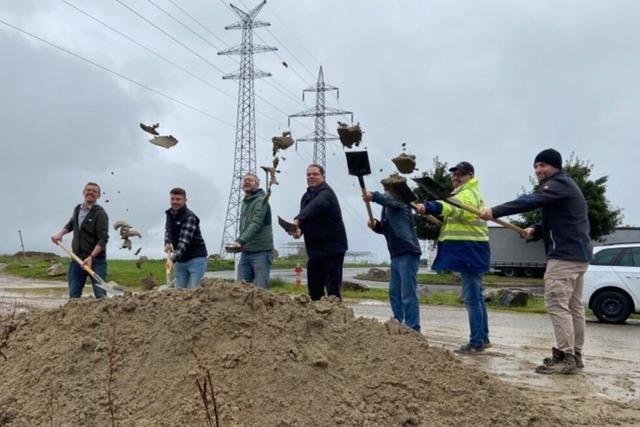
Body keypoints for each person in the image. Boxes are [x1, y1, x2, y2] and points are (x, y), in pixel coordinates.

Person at [480, 149, 592, 374]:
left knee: (556, 304)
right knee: (573, 307)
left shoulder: (558, 185)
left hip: (564, 257)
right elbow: (563, 221)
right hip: (578, 255)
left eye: (543, 165)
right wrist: (535, 229)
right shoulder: (566, 188)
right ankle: (575, 355)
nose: (538, 170)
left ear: (555, 166)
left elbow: (530, 200)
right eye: (536, 166)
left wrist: (495, 211)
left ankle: (565, 357)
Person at [416, 161, 490, 354]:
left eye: (461, 175)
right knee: (477, 298)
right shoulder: (466, 194)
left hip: (470, 251)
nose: (456, 178)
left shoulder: (467, 194)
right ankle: (483, 338)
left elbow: (452, 208)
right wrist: (429, 213)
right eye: (454, 175)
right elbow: (453, 213)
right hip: (471, 251)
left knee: (471, 299)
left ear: (471, 176)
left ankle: (476, 343)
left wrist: (429, 206)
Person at [363, 188, 422, 332]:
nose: (387, 191)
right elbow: (388, 228)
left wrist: (374, 196)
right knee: (394, 293)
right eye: (386, 188)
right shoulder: (387, 207)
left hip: (408, 251)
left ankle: (413, 328)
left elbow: (390, 201)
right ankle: (397, 324)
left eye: (389, 188)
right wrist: (376, 225)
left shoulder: (402, 200)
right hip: (396, 254)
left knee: (407, 294)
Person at [290, 164, 348, 300]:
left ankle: (335, 318)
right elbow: (306, 217)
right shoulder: (305, 196)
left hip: (332, 249)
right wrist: (298, 230)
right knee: (314, 290)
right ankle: (317, 318)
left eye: (315, 174)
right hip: (314, 250)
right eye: (308, 174)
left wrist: (298, 219)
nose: (311, 177)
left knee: (332, 292)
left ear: (323, 176)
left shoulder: (327, 193)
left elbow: (316, 206)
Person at [51, 182, 109, 298]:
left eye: (94, 191)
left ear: (99, 195)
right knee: (74, 295)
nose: (90, 192)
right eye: (88, 190)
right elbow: (72, 223)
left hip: (96, 260)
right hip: (77, 259)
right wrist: (60, 234)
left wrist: (91, 257)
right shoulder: (77, 209)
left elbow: (103, 239)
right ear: (83, 192)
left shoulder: (100, 214)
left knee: (100, 295)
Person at [230, 173, 274, 289]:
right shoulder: (246, 202)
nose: (247, 182)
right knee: (241, 288)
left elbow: (256, 223)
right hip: (246, 251)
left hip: (261, 252)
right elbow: (245, 226)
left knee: (260, 289)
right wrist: (241, 243)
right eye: (245, 180)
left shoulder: (261, 201)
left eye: (250, 180)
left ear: (257, 184)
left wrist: (241, 240)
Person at [164, 187, 208, 289]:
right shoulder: (169, 213)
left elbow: (183, 243)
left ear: (185, 200)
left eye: (178, 199)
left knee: (195, 292)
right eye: (172, 199)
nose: (174, 202)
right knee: (179, 293)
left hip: (196, 259)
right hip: (181, 260)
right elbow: (168, 230)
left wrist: (172, 259)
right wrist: (167, 242)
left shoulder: (189, 217)